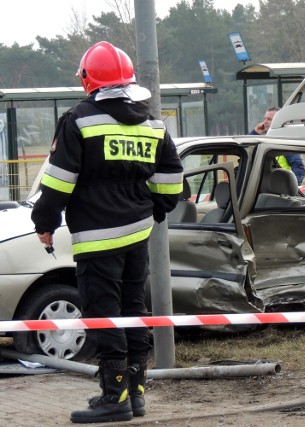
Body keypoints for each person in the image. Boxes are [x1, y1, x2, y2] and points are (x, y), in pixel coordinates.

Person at [31, 41, 183, 423]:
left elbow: (58, 183)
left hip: (97, 239)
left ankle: (113, 396)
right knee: (133, 310)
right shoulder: (154, 123)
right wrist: (150, 212)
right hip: (138, 236)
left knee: (103, 314)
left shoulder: (79, 119)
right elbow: (171, 185)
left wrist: (44, 223)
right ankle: (135, 393)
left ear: (88, 80)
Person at [250, 106, 305, 184]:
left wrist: (291, 188)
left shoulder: (285, 142)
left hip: (279, 190)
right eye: (265, 118)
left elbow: (298, 167)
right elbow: (245, 149)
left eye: (269, 119)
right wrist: (255, 133)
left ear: (279, 122)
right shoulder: (265, 141)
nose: (265, 122)